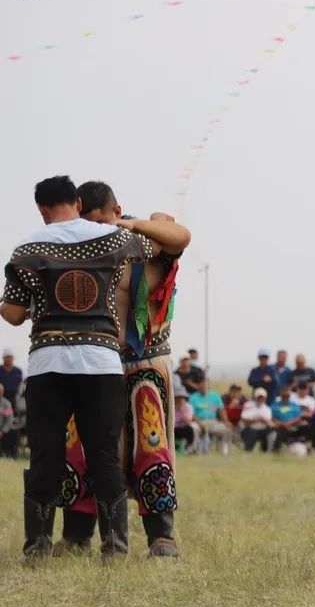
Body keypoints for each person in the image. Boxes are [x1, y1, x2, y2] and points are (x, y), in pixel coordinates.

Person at [2, 176, 161, 562]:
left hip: (47, 365)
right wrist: (133, 222)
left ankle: (37, 547)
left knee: (45, 455)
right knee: (104, 454)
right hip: (100, 362)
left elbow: (13, 314)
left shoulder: (27, 250)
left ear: (41, 209)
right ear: (76, 200)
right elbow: (159, 244)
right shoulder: (111, 239)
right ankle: (115, 547)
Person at [52, 181, 190, 558]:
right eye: (88, 224)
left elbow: (181, 235)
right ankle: (77, 536)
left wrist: (128, 226)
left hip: (145, 362)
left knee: (151, 444)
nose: (96, 232)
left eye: (101, 222)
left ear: (117, 211)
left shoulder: (145, 243)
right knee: (79, 447)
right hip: (97, 363)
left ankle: (161, 538)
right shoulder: (78, 251)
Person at [189, 380, 230, 454]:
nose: (204, 387)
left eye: (206, 386)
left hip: (213, 421)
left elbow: (221, 410)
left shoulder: (215, 396)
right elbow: (191, 414)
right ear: (199, 386)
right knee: (193, 428)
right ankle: (194, 449)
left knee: (226, 428)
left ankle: (223, 448)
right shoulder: (193, 398)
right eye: (202, 386)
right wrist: (199, 423)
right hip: (199, 422)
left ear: (209, 387)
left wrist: (226, 421)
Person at [271, 385, 307, 452]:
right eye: (284, 396)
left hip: (293, 425)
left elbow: (298, 417)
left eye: (287, 396)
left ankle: (305, 447)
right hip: (280, 426)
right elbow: (273, 418)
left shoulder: (294, 405)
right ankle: (277, 449)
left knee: (305, 426)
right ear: (281, 395)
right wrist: (284, 424)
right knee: (276, 431)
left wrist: (289, 423)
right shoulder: (275, 405)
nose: (285, 397)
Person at [173, 386, 196, 454]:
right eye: (177, 397)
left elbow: (188, 421)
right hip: (173, 429)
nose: (179, 400)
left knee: (190, 429)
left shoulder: (188, 407)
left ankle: (189, 447)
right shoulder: (170, 407)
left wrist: (182, 410)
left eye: (181, 397)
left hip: (183, 428)